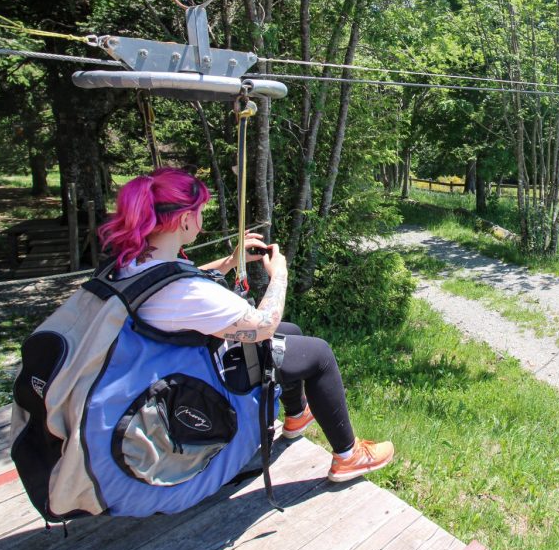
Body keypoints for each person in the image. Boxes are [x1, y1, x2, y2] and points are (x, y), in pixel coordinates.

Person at [96, 167, 394, 483]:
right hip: (199, 381)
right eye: (199, 212)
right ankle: (349, 456)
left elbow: (173, 280)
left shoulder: (130, 263)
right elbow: (263, 325)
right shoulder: (185, 293)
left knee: (290, 334)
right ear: (184, 220)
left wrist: (229, 262)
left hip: (168, 364)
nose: (201, 219)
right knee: (318, 354)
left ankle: (296, 416)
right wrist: (280, 274)